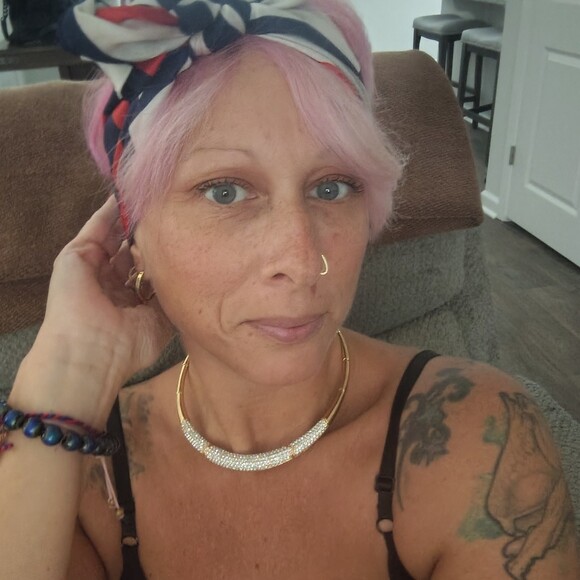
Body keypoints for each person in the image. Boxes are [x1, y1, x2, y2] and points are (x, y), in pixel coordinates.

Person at [1, 1, 578, 578]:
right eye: (225, 191)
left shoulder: (480, 441)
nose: (302, 263)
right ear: (133, 231)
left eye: (332, 187)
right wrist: (70, 369)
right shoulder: (72, 471)